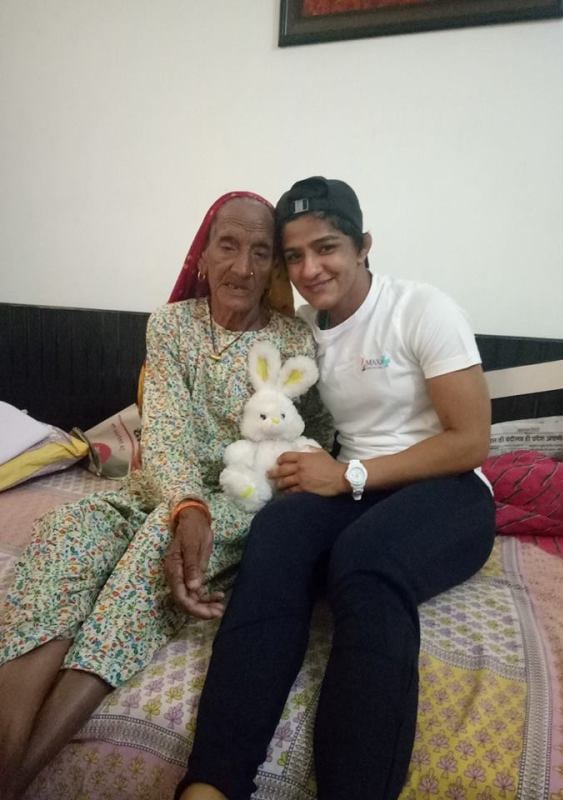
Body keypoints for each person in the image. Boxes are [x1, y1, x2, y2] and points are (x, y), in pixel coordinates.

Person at [0, 190, 333, 800]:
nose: (242, 267)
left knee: (152, 552)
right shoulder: (171, 324)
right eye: (228, 245)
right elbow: (167, 433)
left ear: (274, 267)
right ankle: (6, 745)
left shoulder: (294, 339)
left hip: (241, 499)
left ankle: (16, 777)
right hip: (161, 486)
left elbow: (314, 435)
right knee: (68, 529)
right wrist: (186, 506)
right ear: (202, 254)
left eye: (261, 252)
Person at [176, 177, 497, 800]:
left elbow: (471, 440)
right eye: (294, 255)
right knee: (275, 535)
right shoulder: (302, 333)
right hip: (358, 488)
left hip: (450, 488)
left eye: (326, 248)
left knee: (364, 562)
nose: (310, 269)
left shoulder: (421, 309)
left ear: (363, 246)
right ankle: (212, 781)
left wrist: (349, 474)